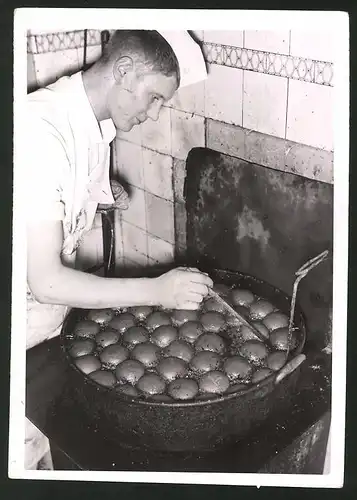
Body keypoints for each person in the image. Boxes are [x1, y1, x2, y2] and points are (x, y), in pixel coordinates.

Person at [24, 30, 212, 469]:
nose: (154, 114)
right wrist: (157, 291)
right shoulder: (40, 130)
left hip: (41, 326)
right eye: (154, 98)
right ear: (125, 71)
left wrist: (102, 193)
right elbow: (46, 280)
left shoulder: (94, 124)